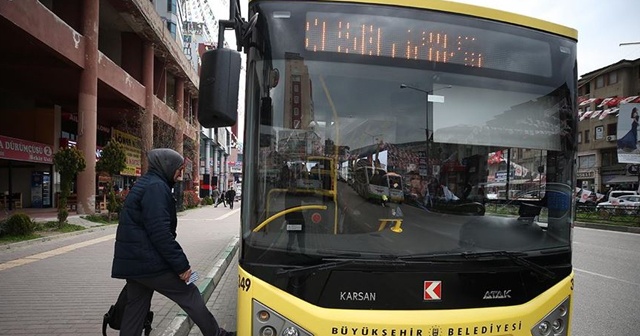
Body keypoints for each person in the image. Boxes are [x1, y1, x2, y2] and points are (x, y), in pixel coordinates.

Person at [111, 148, 235, 336]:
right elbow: (160, 233)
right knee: (190, 293)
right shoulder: (156, 187)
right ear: (167, 166)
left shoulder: (146, 183)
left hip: (135, 264)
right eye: (179, 169)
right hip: (149, 263)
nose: (180, 174)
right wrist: (181, 266)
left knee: (135, 311)